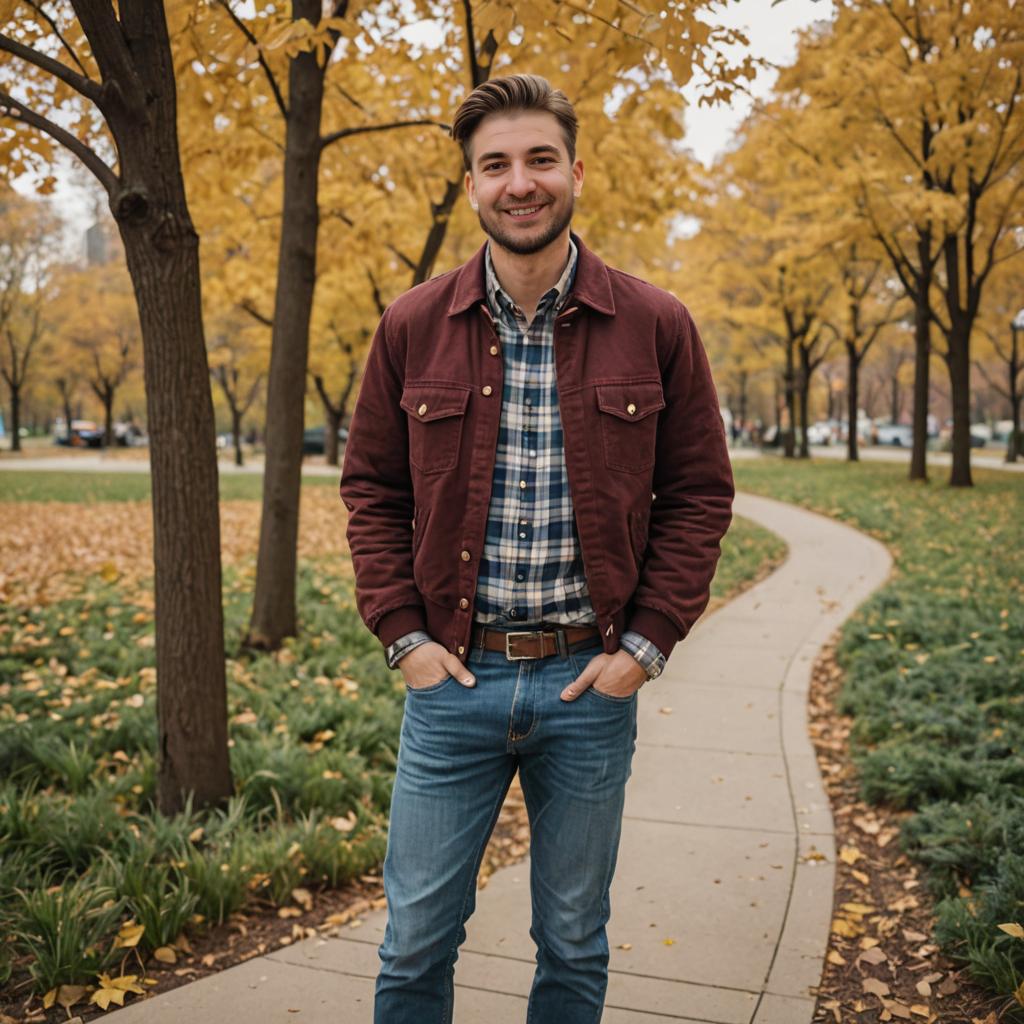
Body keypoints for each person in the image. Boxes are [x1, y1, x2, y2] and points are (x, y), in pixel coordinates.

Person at [339, 72, 734, 1024]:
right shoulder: (411, 325)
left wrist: (641, 650)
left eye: (539, 160)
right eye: (495, 165)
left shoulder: (656, 323)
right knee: (415, 941)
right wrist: (406, 639)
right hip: (453, 686)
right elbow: (372, 493)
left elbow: (698, 496)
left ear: (576, 172)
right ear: (470, 187)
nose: (520, 182)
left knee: (573, 941)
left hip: (585, 689)